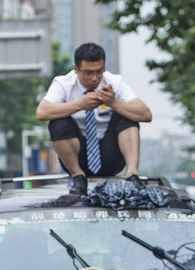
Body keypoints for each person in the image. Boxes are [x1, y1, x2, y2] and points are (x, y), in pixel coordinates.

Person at [35, 42, 153, 195]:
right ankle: (78, 177)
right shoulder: (63, 84)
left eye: (99, 72)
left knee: (127, 113)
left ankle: (132, 175)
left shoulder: (114, 82)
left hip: (111, 155)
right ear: (76, 69)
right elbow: (42, 112)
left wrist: (114, 103)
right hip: (77, 157)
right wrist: (80, 105)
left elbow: (145, 114)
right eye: (88, 73)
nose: (94, 78)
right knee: (58, 121)